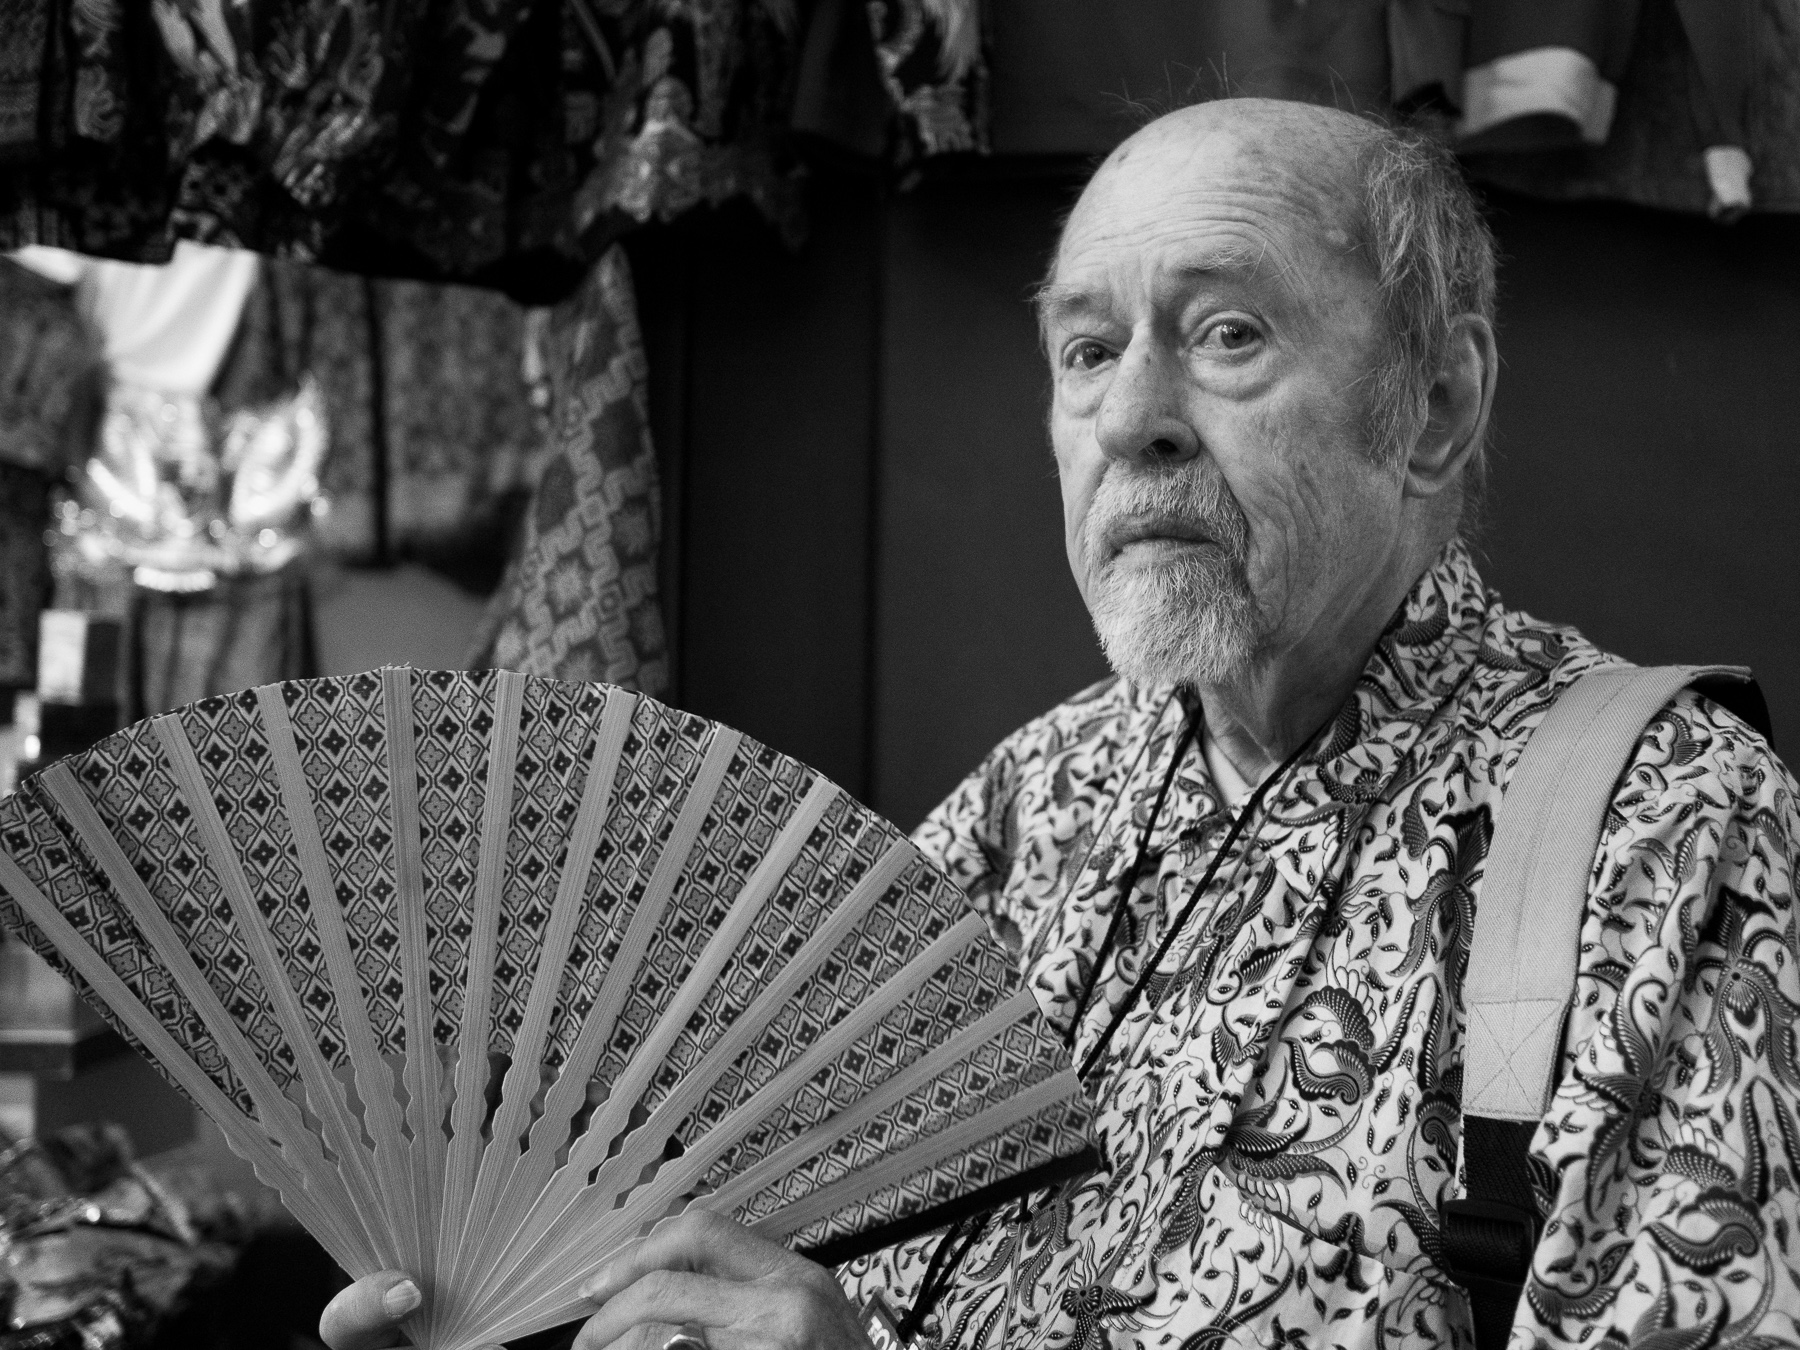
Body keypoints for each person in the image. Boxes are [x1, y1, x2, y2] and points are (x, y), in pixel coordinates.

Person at [321, 97, 1800, 1350]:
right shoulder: (1028, 803)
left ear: (1433, 404)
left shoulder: (1669, 832)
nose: (1131, 417)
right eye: (1088, 351)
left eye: (1225, 334)